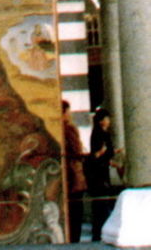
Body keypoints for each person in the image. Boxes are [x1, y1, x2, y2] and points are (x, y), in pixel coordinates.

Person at [87, 107, 116, 240]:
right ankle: (99, 232)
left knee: (101, 205)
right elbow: (98, 155)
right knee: (101, 204)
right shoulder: (100, 135)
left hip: (101, 172)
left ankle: (98, 232)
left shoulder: (99, 133)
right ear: (101, 121)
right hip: (99, 174)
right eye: (106, 119)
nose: (109, 121)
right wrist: (104, 153)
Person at [62, 100, 87, 243]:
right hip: (73, 175)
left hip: (65, 175)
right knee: (76, 212)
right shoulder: (69, 129)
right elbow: (77, 150)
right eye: (68, 112)